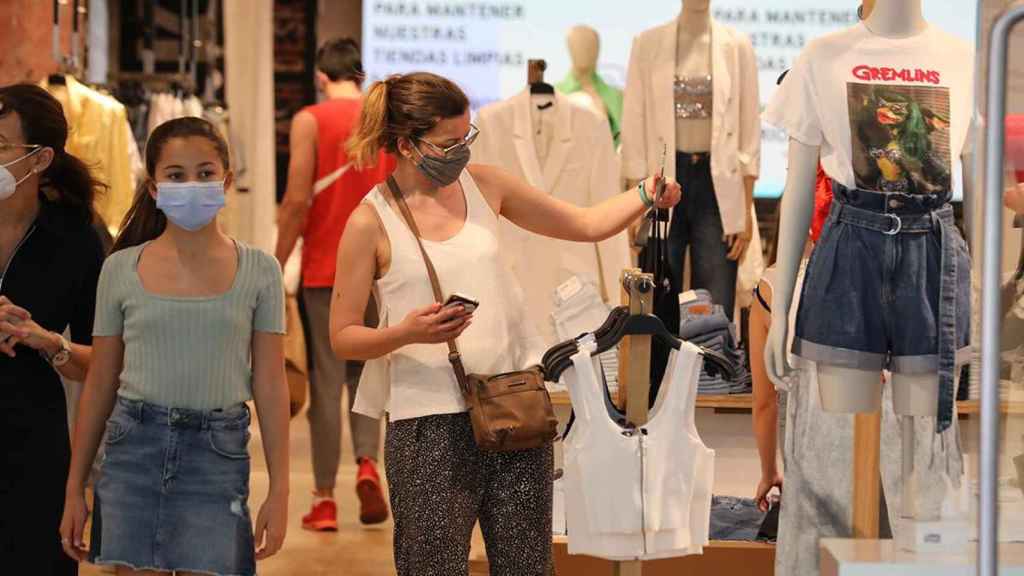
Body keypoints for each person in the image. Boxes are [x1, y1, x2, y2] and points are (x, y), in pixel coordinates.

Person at [331, 71, 681, 575]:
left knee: (527, 566)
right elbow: (342, 336)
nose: (462, 151)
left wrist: (646, 194)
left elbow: (582, 224)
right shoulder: (371, 221)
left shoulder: (487, 186)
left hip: (514, 404)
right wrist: (407, 332)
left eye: (467, 136)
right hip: (426, 424)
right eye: (450, 142)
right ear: (407, 146)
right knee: (431, 567)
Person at [60, 117, 290, 576]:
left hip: (218, 452)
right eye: (176, 175)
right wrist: (74, 488)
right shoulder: (120, 269)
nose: (192, 185)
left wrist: (280, 488)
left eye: (205, 173)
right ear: (153, 188)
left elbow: (270, 382)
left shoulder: (261, 270)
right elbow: (101, 381)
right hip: (132, 450)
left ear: (226, 180)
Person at [274, 37, 393, 530]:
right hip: (381, 270)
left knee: (325, 383)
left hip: (326, 267)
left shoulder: (310, 120)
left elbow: (298, 198)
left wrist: (275, 262)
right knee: (366, 376)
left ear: (322, 76)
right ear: (360, 76)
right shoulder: (381, 120)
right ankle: (367, 463)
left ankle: (324, 499)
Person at [0, 84, 106, 576]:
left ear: (40, 160)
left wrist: (49, 342)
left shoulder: (76, 238)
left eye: (0, 146)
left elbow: (102, 361)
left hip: (33, 444)